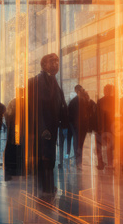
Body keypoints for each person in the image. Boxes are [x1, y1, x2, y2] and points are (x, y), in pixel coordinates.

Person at [27, 54, 68, 195]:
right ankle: (44, 187)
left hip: (52, 127)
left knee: (50, 158)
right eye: (52, 61)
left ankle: (48, 186)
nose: (56, 64)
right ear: (43, 65)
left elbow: (59, 102)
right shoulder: (36, 81)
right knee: (44, 157)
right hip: (42, 128)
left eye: (57, 61)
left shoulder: (54, 81)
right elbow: (35, 107)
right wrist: (42, 127)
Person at [69, 85, 96, 167]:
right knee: (78, 142)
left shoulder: (84, 101)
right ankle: (78, 160)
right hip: (78, 126)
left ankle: (78, 160)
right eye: (81, 90)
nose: (82, 92)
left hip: (81, 126)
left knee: (79, 143)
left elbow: (92, 108)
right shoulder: (75, 102)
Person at [96, 84, 115, 170]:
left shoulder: (100, 101)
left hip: (101, 127)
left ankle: (100, 163)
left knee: (99, 146)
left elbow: (98, 115)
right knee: (110, 146)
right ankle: (110, 163)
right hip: (111, 127)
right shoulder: (114, 100)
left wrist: (98, 127)